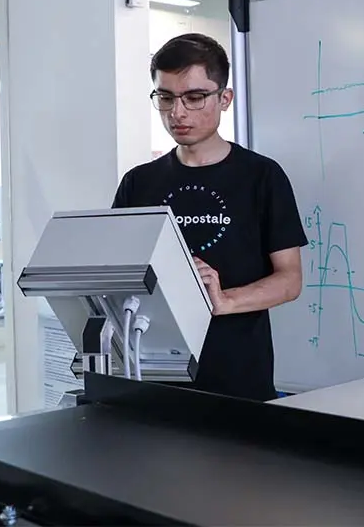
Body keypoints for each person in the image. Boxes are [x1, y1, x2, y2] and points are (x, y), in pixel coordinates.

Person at [112, 33, 307, 401]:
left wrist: (225, 301)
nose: (178, 112)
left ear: (225, 99)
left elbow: (290, 280)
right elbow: (118, 277)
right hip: (151, 379)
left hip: (238, 380)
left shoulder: (261, 177)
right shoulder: (138, 183)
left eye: (195, 97)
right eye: (165, 97)